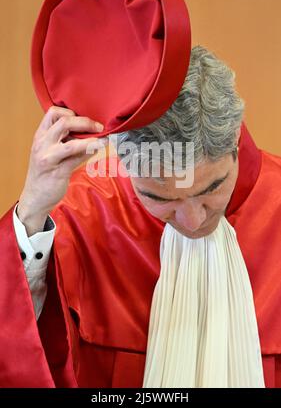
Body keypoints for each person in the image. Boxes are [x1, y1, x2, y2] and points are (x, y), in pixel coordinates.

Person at [1, 45, 281, 388]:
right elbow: (18, 349)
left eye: (211, 189)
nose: (193, 221)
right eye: (160, 198)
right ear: (125, 166)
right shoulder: (84, 214)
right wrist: (31, 211)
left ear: (235, 139)